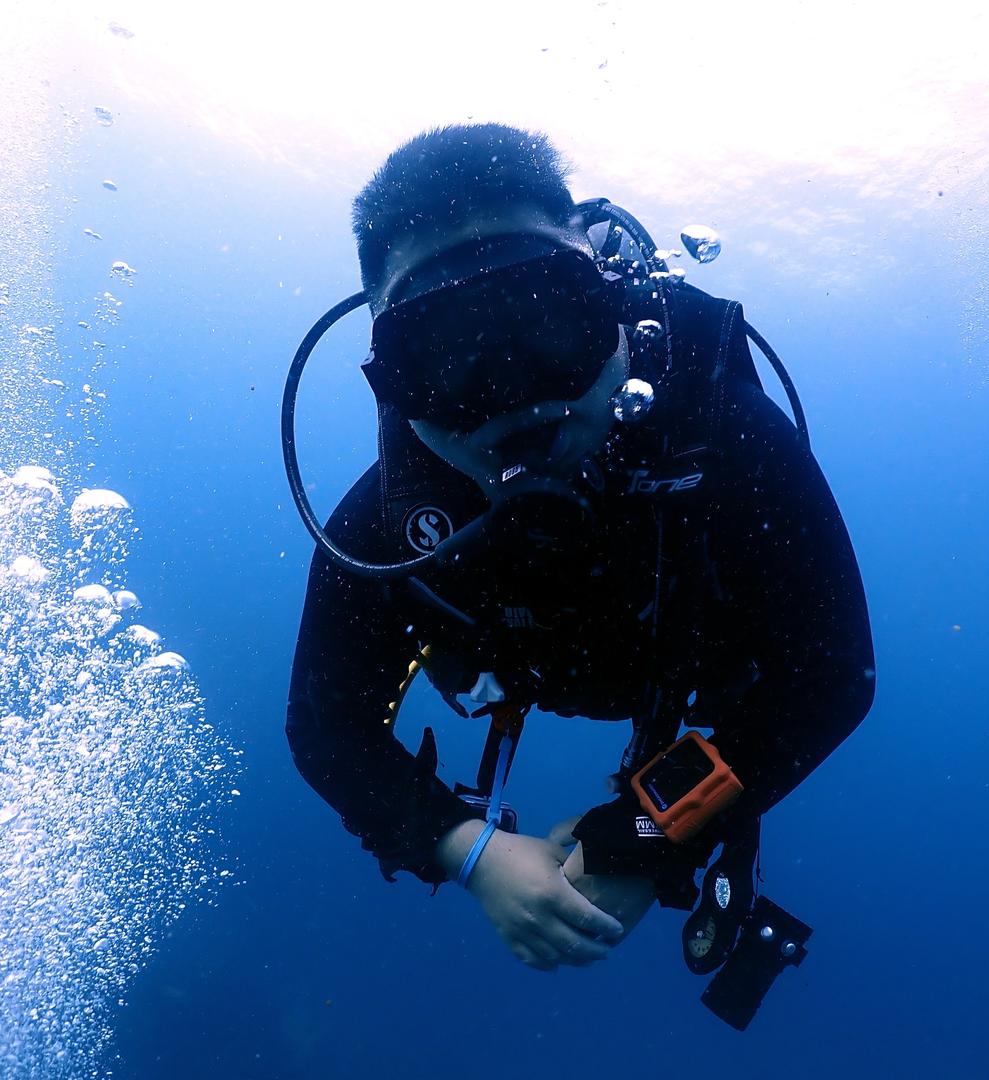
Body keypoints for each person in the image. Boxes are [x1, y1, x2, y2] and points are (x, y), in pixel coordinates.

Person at [286, 123, 875, 982]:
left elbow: (828, 679)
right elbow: (324, 726)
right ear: (390, 377)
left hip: (699, 670)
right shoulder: (386, 527)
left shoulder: (725, 444)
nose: (510, 394)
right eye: (444, 352)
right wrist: (470, 852)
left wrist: (639, 838)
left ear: (609, 306)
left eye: (547, 318)